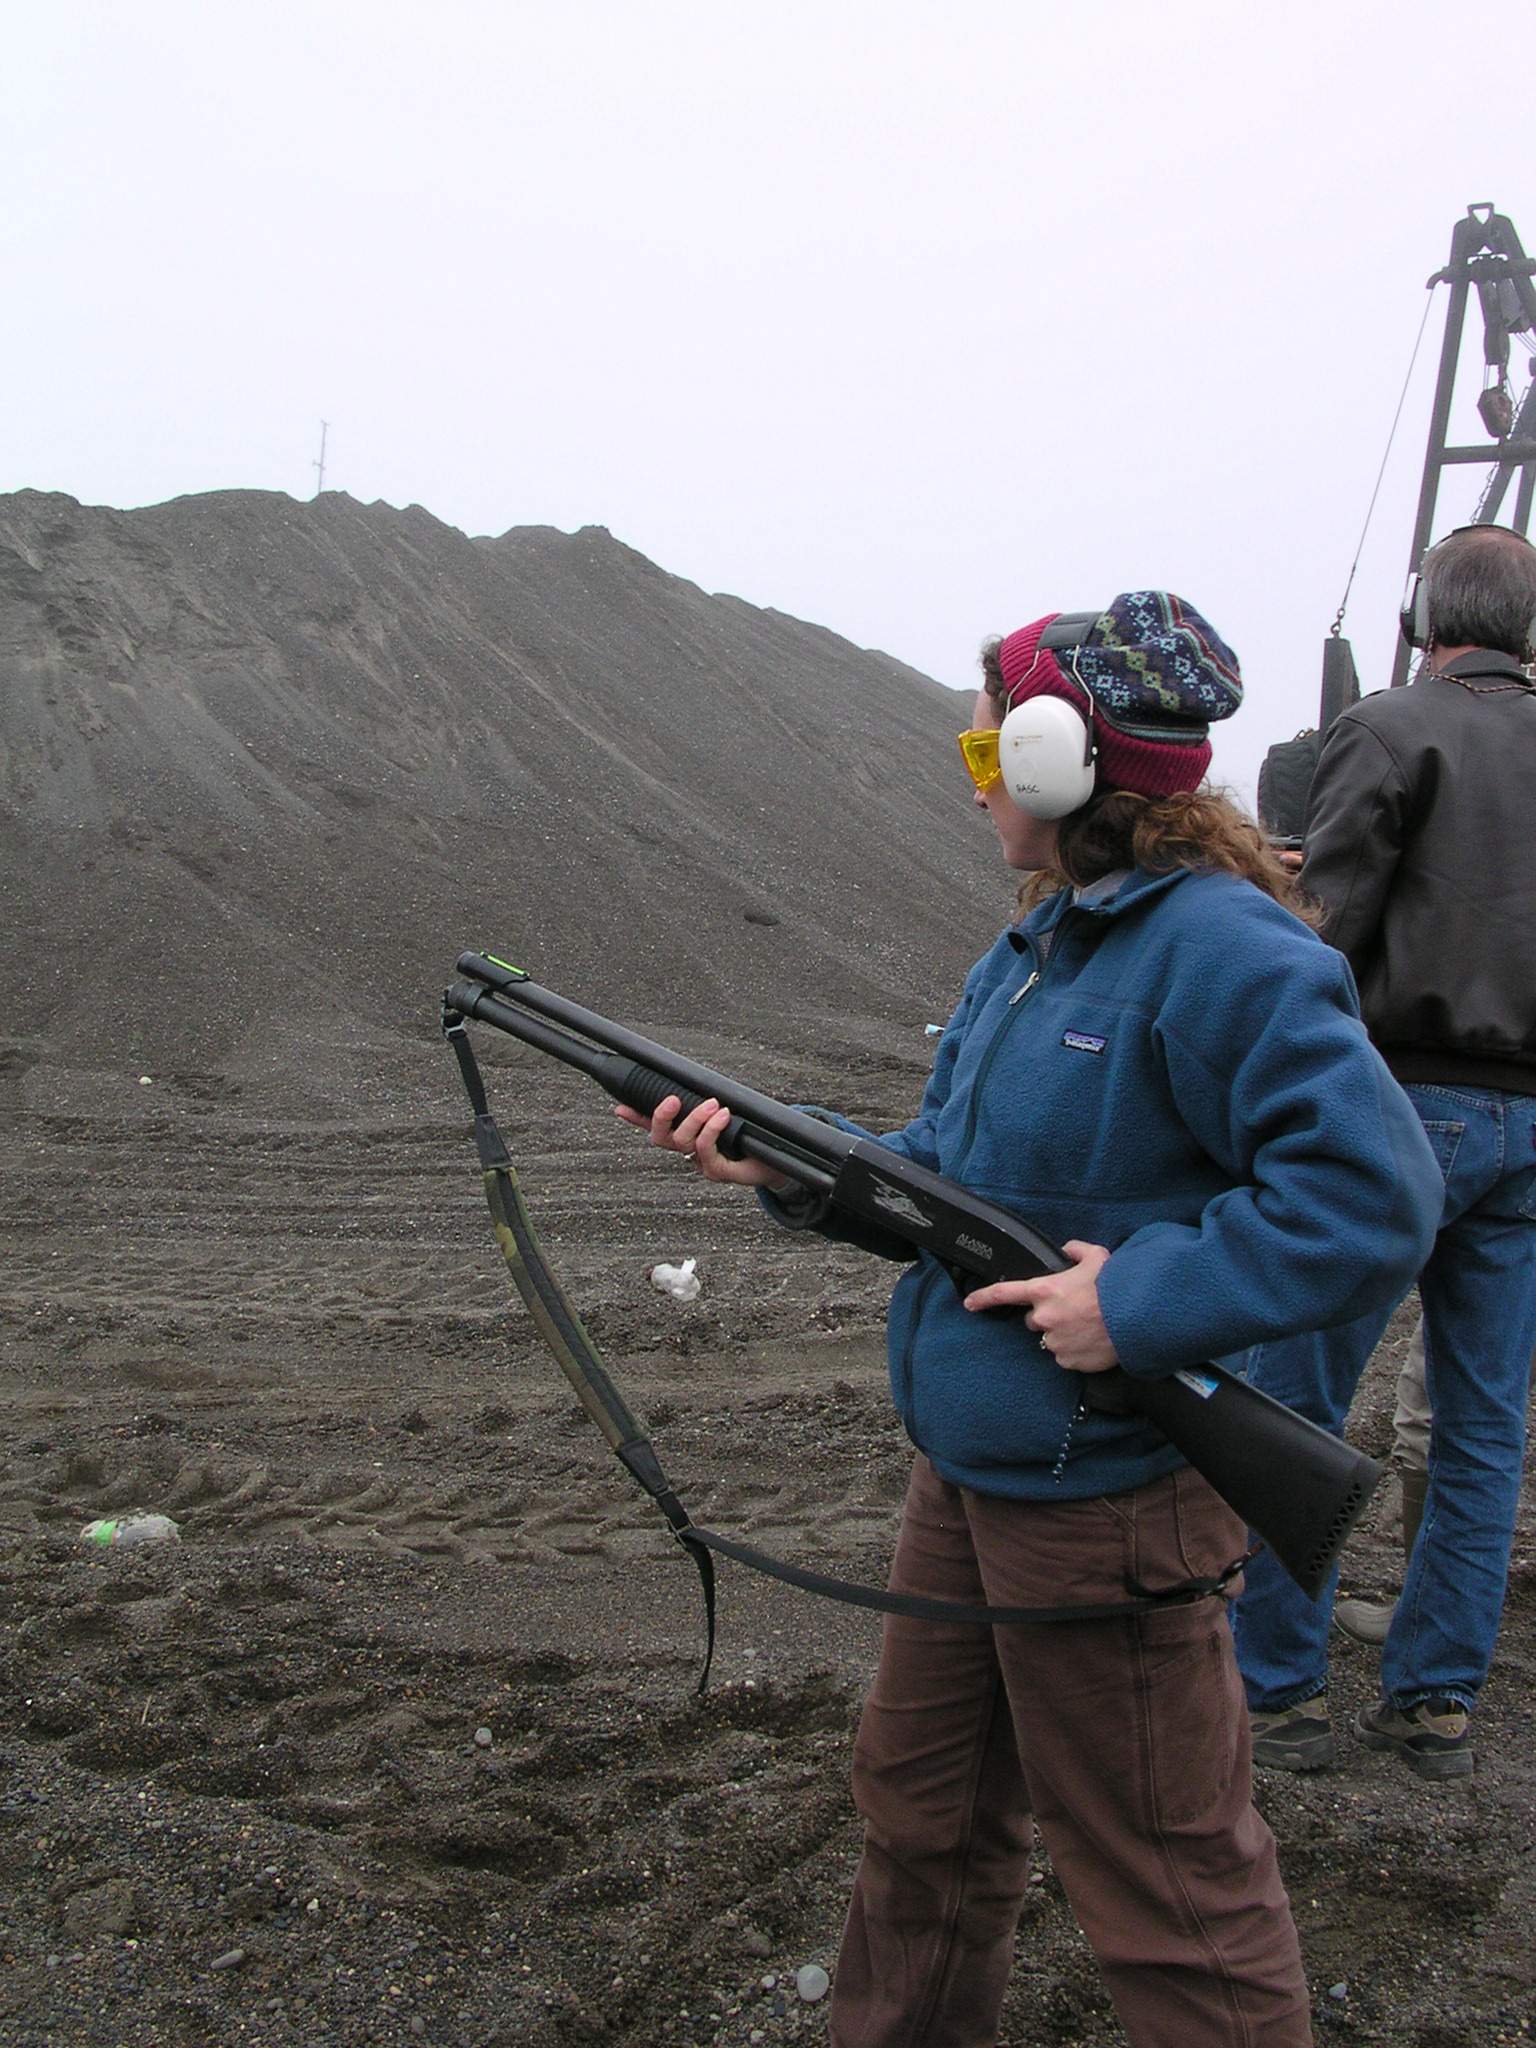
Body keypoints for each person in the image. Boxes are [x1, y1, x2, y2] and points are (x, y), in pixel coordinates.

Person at [619, 591, 1441, 2048]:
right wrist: (785, 1157)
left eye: (988, 749)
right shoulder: (1042, 944)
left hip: (1110, 1496)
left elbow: (1374, 1192)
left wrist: (1140, 1297)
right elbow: (948, 1175)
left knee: (1168, 1884)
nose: (979, 781)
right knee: (922, 1820)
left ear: (1067, 760)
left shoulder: (1223, 950)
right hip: (976, 1470)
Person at [1234, 523, 1536, 1780]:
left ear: (1421, 616)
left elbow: (1323, 932)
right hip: (1532, 1130)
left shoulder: (1389, 727)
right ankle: (1434, 1698)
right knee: (1483, 1422)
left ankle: (1277, 1690)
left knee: (1294, 1394)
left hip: (1403, 1102)